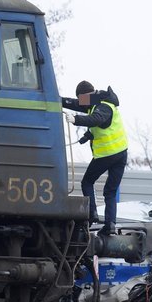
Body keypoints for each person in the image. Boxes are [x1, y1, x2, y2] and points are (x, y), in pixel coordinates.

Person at [62, 80, 128, 236]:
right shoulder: (98, 102)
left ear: (86, 96)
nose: (81, 103)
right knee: (110, 191)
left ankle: (92, 214)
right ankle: (110, 225)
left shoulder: (104, 106)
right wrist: (58, 100)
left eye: (81, 98)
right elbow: (101, 125)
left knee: (87, 182)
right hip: (121, 154)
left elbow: (97, 119)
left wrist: (76, 120)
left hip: (108, 155)